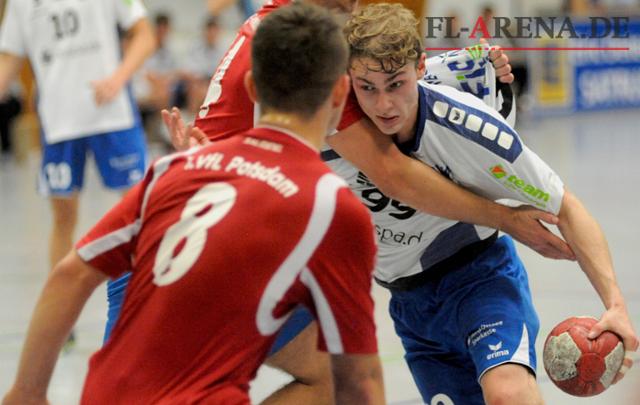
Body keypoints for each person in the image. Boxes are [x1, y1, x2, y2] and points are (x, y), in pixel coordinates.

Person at [1, 3, 384, 404]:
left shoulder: (173, 169)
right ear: (341, 92)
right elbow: (363, 382)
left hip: (115, 372)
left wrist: (27, 392)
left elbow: (69, 275)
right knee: (330, 371)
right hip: (104, 126)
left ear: (252, 87)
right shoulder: (329, 202)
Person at [339, 3, 639, 404]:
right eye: (367, 88)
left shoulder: (469, 128)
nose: (383, 105)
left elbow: (566, 206)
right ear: (348, 80)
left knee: (507, 394)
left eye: (396, 84)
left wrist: (616, 305)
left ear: (420, 68)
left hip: (479, 278)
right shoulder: (332, 128)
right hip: (411, 305)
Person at [0, 0, 155, 345]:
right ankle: (62, 319)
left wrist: (118, 78)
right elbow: (9, 56)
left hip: (112, 115)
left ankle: (150, 304)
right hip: (59, 121)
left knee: (139, 211)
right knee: (63, 217)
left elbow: (144, 34)